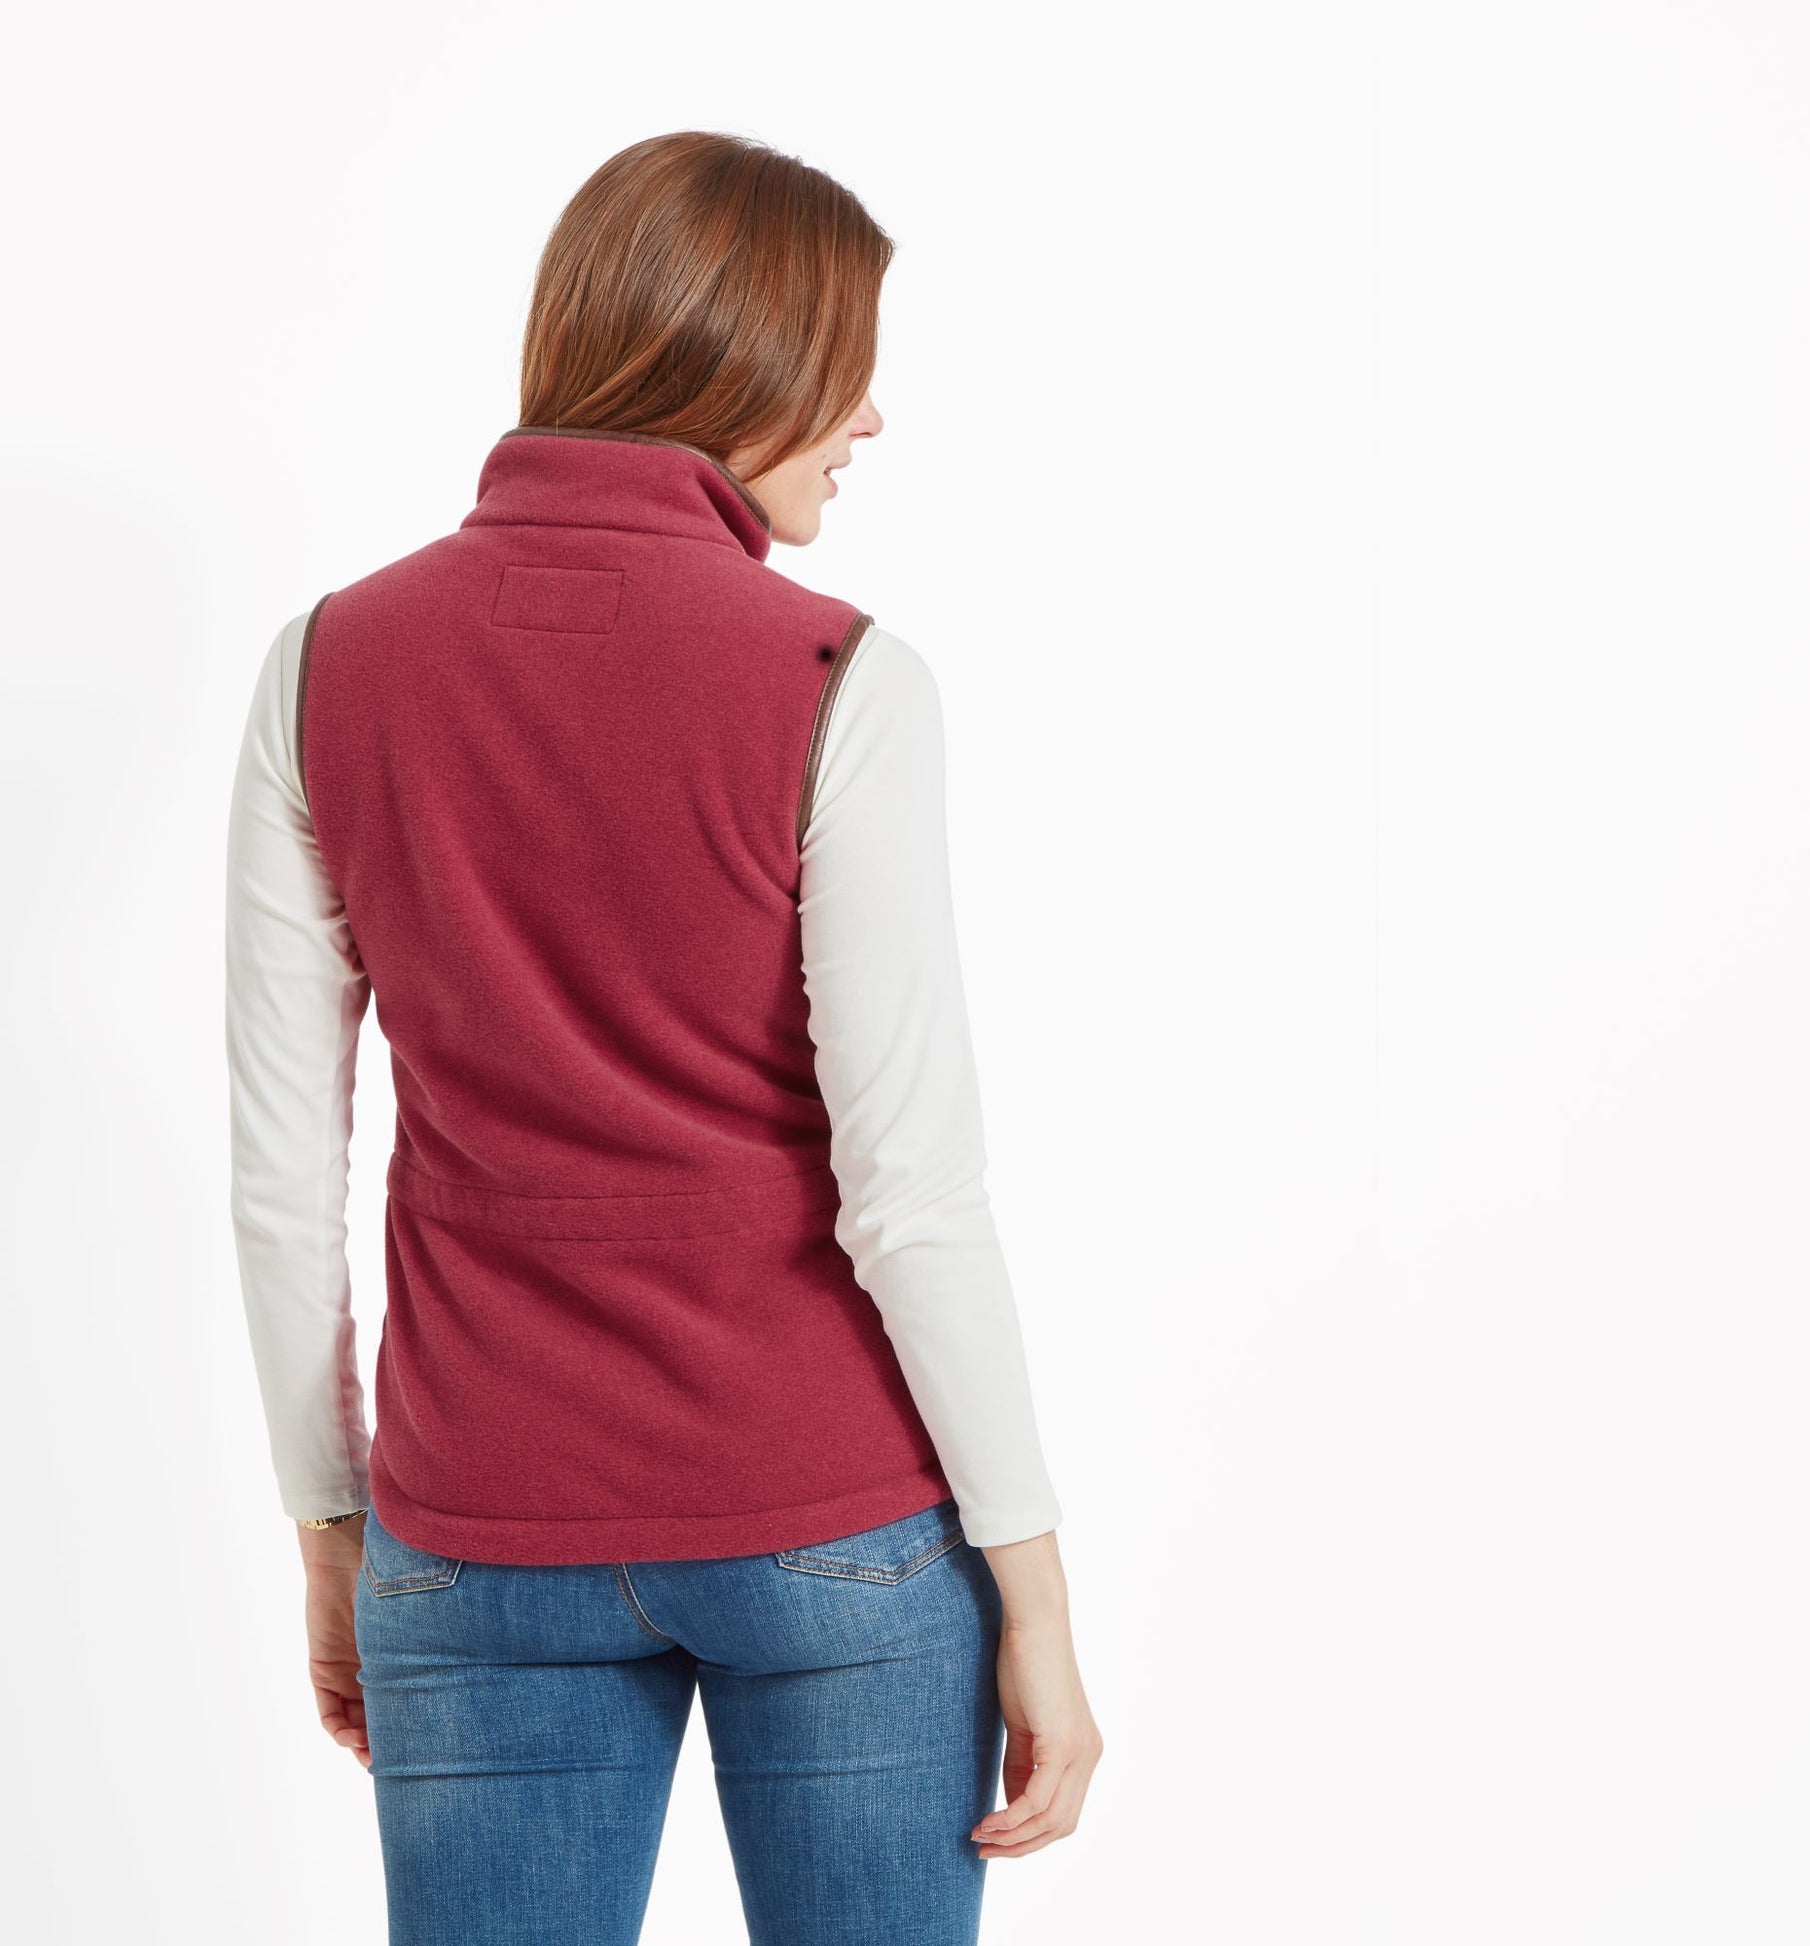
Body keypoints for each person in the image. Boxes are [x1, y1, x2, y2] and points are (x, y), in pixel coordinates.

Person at [223, 130, 1102, 1944]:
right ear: (744, 363)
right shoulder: (840, 676)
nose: (869, 419)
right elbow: (911, 1191)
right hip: (829, 1515)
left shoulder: (324, 663)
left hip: (471, 1522)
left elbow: (282, 1173)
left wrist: (330, 1522)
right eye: (846, 366)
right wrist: (1034, 1592)